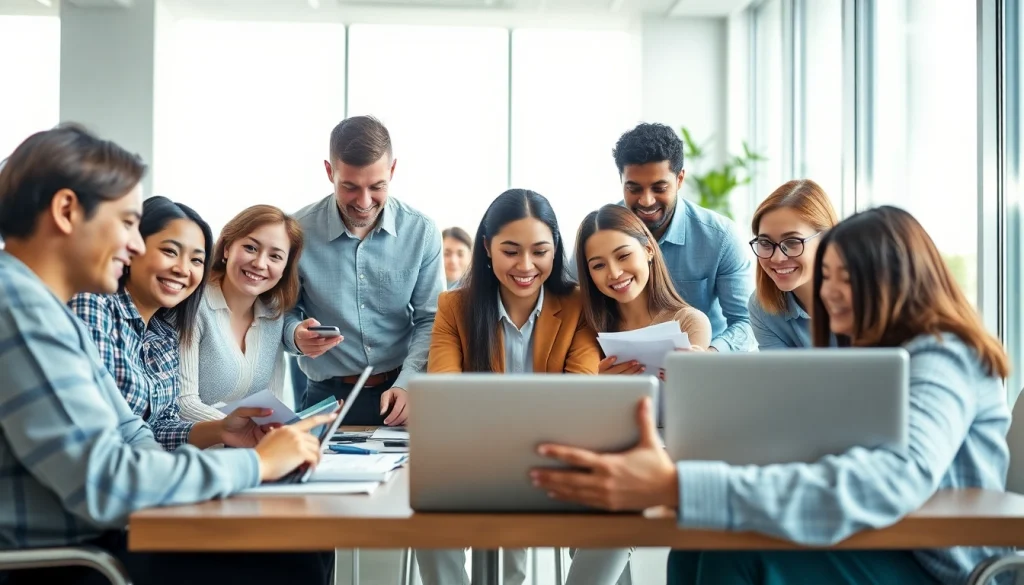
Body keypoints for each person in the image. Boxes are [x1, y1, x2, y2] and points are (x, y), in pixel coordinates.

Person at [531, 205, 1011, 585]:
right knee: (696, 548)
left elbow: (893, 479)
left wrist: (678, 487)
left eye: (847, 277)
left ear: (895, 279)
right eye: (827, 277)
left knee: (733, 558)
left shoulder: (941, 354)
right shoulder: (866, 357)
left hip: (939, 564)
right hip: (878, 539)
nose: (829, 291)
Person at [0, 124, 335, 584]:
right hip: (66, 561)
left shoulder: (48, 310)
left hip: (106, 538)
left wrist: (223, 441)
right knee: (290, 559)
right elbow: (106, 482)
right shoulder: (18, 307)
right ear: (66, 211)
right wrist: (256, 464)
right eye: (126, 223)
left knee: (298, 546)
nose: (137, 245)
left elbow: (133, 432)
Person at [416, 189, 601, 585]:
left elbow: (581, 395)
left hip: (557, 457)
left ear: (555, 250)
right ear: (486, 247)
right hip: (473, 459)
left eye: (539, 251)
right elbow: (445, 395)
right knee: (430, 521)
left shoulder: (578, 306)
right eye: (511, 251)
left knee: (609, 527)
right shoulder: (454, 307)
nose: (526, 265)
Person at [564, 203, 712, 585]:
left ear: (648, 248)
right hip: (604, 450)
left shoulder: (689, 322)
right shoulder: (590, 326)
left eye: (623, 255)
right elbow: (572, 407)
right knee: (592, 508)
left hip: (665, 455)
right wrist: (595, 384)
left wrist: (697, 380)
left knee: (610, 515)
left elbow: (698, 421)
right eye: (597, 265)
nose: (613, 273)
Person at [69, 196, 272, 450]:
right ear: (132, 248)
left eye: (196, 260)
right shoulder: (94, 306)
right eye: (170, 252)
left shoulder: (164, 333)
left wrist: (223, 429)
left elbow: (160, 427)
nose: (183, 269)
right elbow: (102, 424)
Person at [284, 115, 443, 425]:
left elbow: (431, 319)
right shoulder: (296, 232)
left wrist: (409, 382)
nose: (365, 201)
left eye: (377, 186)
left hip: (400, 393)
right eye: (350, 187)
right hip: (326, 399)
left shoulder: (421, 232)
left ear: (393, 170)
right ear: (330, 172)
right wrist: (294, 335)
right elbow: (278, 313)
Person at [610, 122, 755, 352]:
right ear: (621, 181)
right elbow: (575, 311)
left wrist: (710, 355)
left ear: (679, 180)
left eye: (659, 187)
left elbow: (746, 323)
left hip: (700, 368)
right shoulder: (600, 233)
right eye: (634, 188)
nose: (646, 201)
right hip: (623, 367)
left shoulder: (720, 238)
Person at [176, 205, 304, 421]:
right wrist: (246, 432)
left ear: (285, 268)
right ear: (227, 248)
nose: (260, 263)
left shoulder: (273, 314)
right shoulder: (193, 305)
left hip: (246, 449)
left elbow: (273, 404)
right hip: (193, 449)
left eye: (275, 256)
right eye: (251, 248)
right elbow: (184, 404)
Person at [748, 179, 839, 349]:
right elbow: (780, 375)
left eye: (792, 242)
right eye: (766, 243)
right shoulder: (761, 308)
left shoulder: (864, 295)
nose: (777, 258)